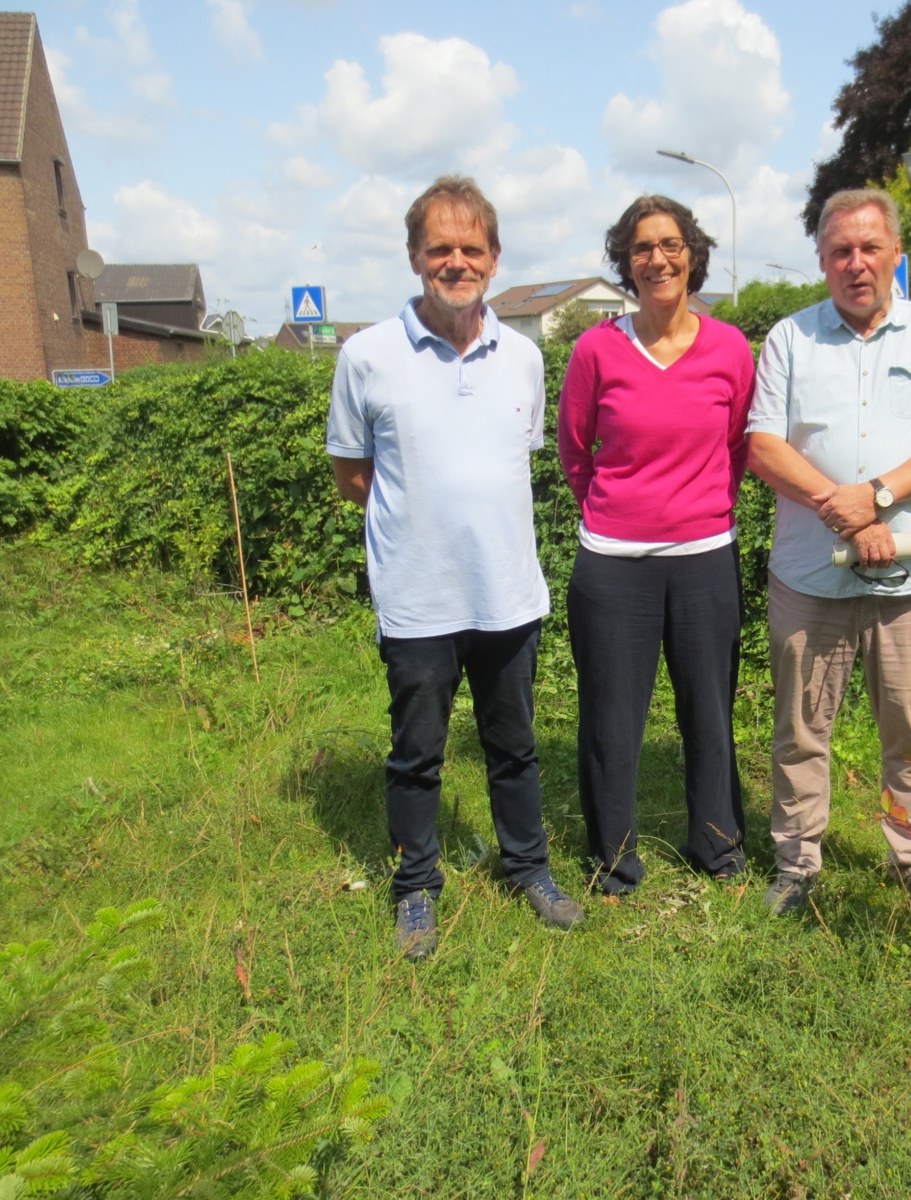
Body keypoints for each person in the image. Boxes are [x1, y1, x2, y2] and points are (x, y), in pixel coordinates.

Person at [326, 175, 585, 960]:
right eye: (440, 248)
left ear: (495, 258)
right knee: (416, 756)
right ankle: (415, 889)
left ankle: (529, 868)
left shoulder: (525, 358)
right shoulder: (365, 357)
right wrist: (420, 526)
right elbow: (353, 476)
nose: (457, 262)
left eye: (472, 248)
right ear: (414, 256)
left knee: (515, 748)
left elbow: (511, 461)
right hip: (418, 597)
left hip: (507, 593)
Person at [745, 187, 911, 916]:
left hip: (910, 579)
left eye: (869, 248)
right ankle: (797, 865)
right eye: (840, 251)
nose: (855, 263)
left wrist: (877, 496)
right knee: (800, 731)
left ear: (895, 255)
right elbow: (764, 448)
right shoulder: (789, 339)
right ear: (823, 261)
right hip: (809, 577)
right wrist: (852, 518)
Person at [557, 195, 755, 893]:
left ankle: (719, 847)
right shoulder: (595, 349)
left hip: (705, 560)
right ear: (626, 262)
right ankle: (613, 862)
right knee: (611, 722)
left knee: (710, 713)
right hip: (614, 567)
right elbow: (574, 450)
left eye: (671, 244)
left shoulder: (730, 349)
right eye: (642, 247)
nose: (657, 259)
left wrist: (699, 510)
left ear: (692, 255)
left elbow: (739, 447)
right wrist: (620, 514)